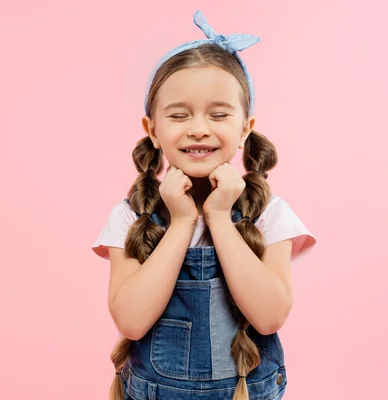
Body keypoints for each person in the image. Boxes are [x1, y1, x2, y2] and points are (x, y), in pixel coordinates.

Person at [92, 10, 316, 400]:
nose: (198, 128)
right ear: (153, 131)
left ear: (245, 127)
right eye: (179, 115)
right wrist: (181, 222)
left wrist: (218, 217)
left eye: (218, 114)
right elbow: (130, 321)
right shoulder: (130, 216)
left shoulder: (271, 216)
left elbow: (269, 317)